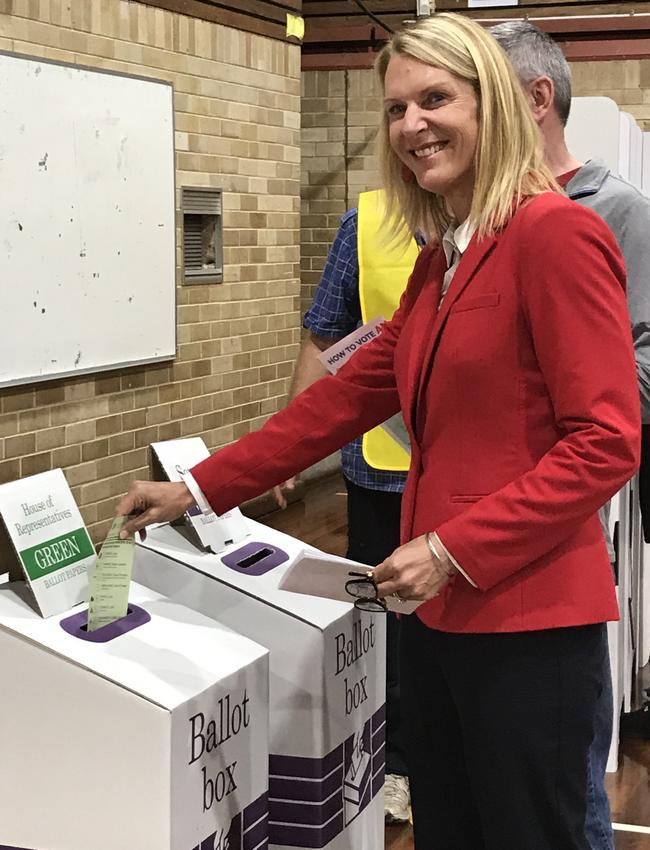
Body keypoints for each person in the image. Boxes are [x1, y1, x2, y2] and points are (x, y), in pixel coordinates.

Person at [118, 13, 641, 849]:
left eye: (436, 99)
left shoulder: (556, 235)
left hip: (526, 625)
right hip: (436, 619)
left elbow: (606, 441)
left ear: (497, 105)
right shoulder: (446, 257)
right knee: (450, 826)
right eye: (396, 109)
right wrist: (200, 485)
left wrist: (450, 550)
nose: (411, 126)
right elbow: (344, 395)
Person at [491, 20, 650, 849]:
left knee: (560, 773)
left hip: (568, 517)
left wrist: (572, 401)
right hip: (475, 528)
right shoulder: (477, 221)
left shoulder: (614, 210)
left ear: (534, 99)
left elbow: (646, 360)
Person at [274, 193, 416, 823]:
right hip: (381, 467)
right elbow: (326, 333)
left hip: (473, 478)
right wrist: (289, 442)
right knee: (382, 623)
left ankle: (437, 752)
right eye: (397, 109)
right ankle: (394, 762)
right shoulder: (366, 222)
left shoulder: (513, 218)